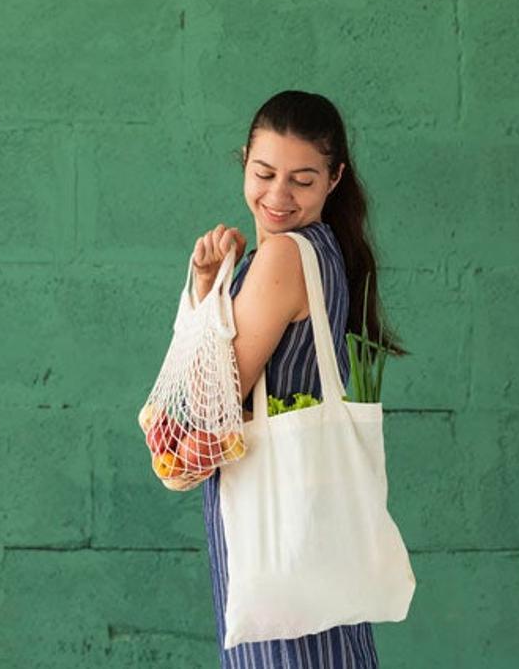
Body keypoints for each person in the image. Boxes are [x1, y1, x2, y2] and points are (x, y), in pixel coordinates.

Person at [190, 89, 407, 669]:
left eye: (302, 180)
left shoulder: (284, 259)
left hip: (275, 536)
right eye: (264, 173)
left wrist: (204, 293)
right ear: (244, 162)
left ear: (335, 178)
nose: (277, 196)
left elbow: (207, 401)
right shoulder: (327, 250)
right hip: (309, 538)